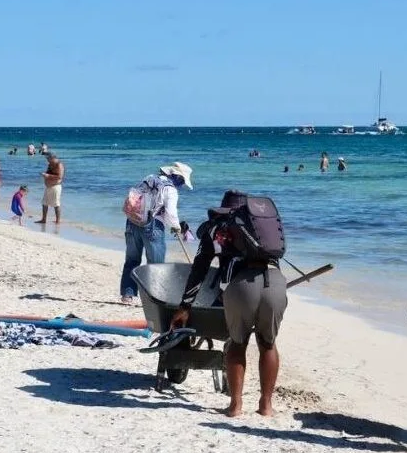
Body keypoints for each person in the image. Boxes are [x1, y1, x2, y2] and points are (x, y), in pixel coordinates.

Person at [170, 190, 288, 417]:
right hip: (275, 283)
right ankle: (266, 406)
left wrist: (185, 306)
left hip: (241, 287)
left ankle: (235, 406)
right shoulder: (261, 230)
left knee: (237, 343)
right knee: (268, 344)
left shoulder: (216, 228)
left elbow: (199, 270)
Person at [119, 162, 193, 304]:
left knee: (132, 260)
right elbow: (171, 213)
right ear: (176, 177)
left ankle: (127, 295)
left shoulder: (150, 178)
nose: (182, 184)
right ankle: (154, 298)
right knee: (156, 265)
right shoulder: (170, 190)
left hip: (132, 221)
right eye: (182, 181)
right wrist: (176, 228)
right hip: (153, 226)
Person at [35, 152, 65, 224]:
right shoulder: (50, 164)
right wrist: (45, 175)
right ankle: (43, 219)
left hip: (55, 186)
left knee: (56, 204)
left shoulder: (59, 164)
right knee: (44, 203)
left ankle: (58, 221)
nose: (47, 160)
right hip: (48, 187)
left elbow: (59, 176)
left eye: (48, 158)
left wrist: (48, 176)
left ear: (52, 158)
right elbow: (48, 172)